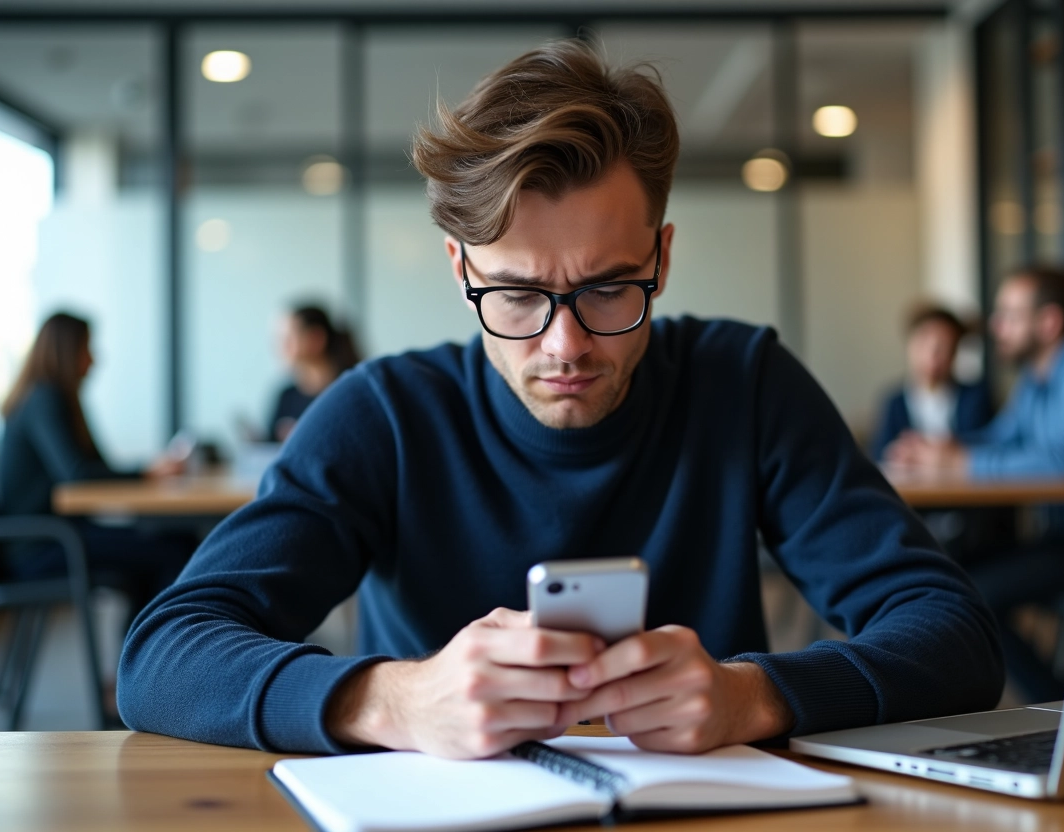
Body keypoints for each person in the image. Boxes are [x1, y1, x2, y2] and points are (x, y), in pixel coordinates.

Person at [118, 41, 1002, 758]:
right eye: (516, 295)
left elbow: (956, 635)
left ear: (660, 257)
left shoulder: (746, 383)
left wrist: (755, 695)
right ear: (462, 268)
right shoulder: (384, 413)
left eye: (611, 289)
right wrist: (389, 699)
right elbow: (162, 656)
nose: (565, 344)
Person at [886, 267, 1064, 702]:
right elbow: (999, 439)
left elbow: (1061, 464)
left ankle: (1059, 705)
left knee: (975, 593)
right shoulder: (1035, 379)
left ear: (1049, 322)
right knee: (951, 573)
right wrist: (939, 447)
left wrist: (959, 461)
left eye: (1009, 315)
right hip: (1058, 537)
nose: (996, 327)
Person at [0, 312, 193, 629]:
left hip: (56, 536)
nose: (94, 358)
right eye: (87, 348)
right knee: (173, 550)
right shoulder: (44, 399)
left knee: (166, 545)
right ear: (67, 351)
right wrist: (146, 473)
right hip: (40, 544)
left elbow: (96, 469)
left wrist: (147, 471)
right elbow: (77, 474)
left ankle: (136, 666)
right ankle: (150, 665)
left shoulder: (59, 399)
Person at [870, 304, 991, 461]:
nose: (932, 354)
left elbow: (985, 445)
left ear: (954, 352)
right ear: (909, 345)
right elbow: (878, 453)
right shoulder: (893, 401)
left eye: (943, 347)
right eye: (923, 343)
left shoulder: (975, 398)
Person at [270, 305, 361, 442]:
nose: (281, 347)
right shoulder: (286, 396)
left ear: (317, 338)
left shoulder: (351, 393)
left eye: (289, 338)